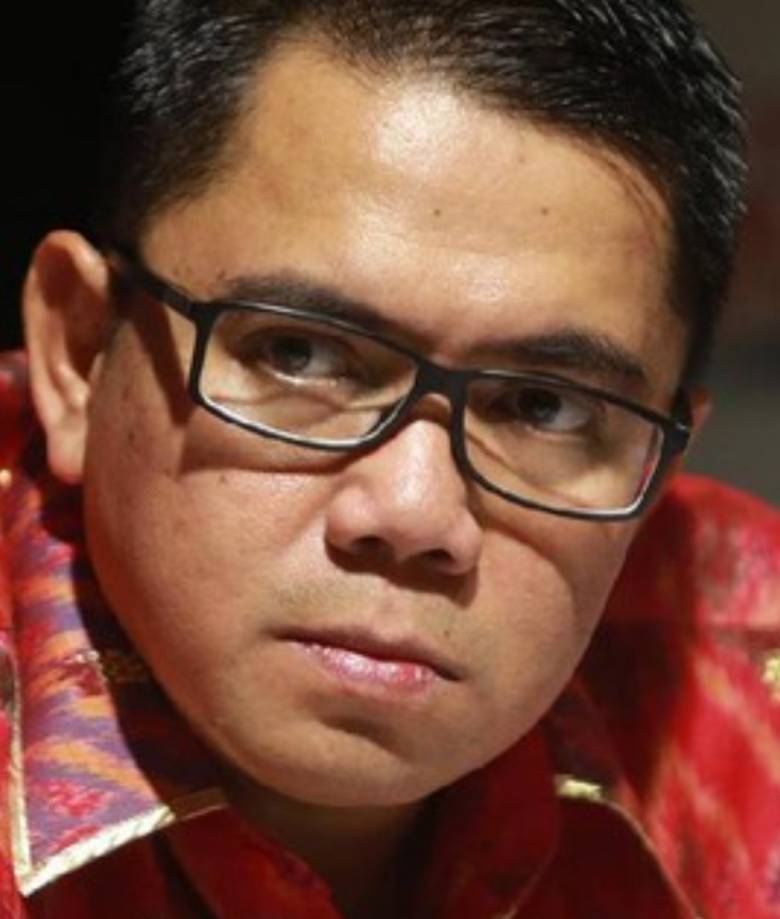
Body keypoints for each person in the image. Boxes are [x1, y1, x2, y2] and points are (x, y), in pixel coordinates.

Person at [1, 0, 779, 916]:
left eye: (545, 408)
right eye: (299, 355)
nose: (414, 514)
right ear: (81, 355)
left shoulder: (742, 692)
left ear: (655, 474)